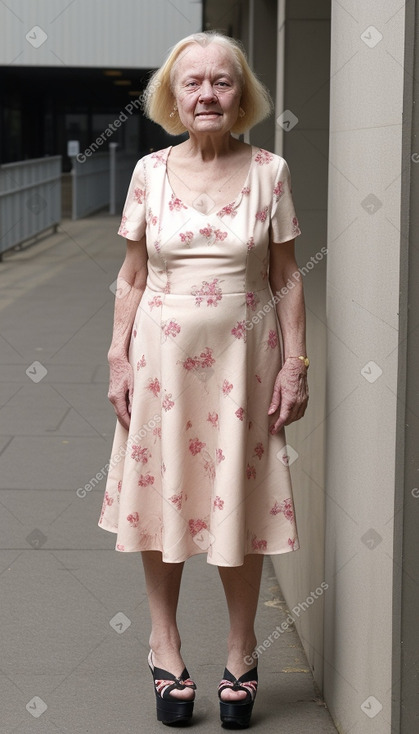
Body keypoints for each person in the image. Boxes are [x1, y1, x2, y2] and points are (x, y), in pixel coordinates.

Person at [99, 30, 309, 729]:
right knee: (161, 500)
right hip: (159, 366)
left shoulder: (268, 172)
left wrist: (295, 365)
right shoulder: (150, 173)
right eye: (193, 83)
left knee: (235, 506)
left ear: (239, 93)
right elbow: (131, 275)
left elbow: (285, 279)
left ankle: (242, 652)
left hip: (242, 369)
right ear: (173, 95)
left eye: (221, 81)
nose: (206, 94)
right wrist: (118, 358)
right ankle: (164, 647)